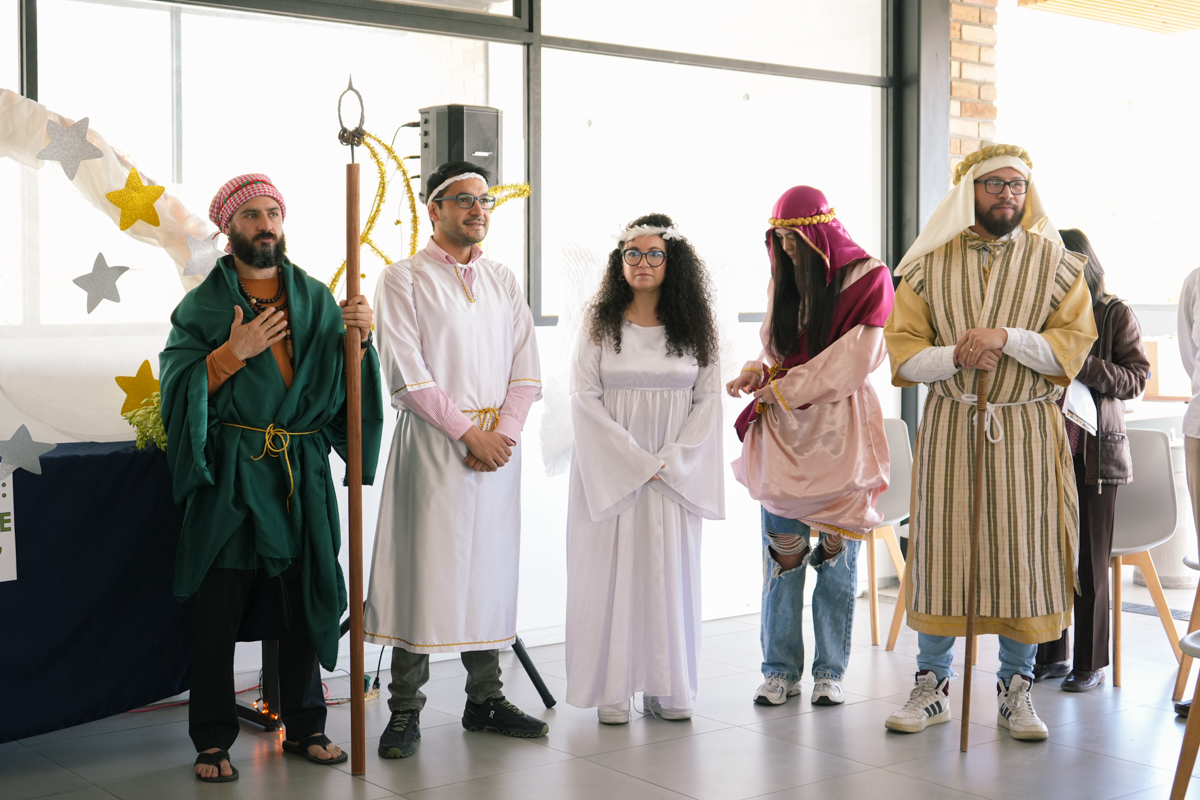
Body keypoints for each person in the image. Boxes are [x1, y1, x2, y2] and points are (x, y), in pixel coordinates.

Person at [160, 173, 383, 782]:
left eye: (273, 214)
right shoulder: (204, 306)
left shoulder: (315, 298)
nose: (265, 225)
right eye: (252, 215)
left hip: (297, 474)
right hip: (234, 476)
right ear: (228, 228)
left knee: (304, 599)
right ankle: (212, 739)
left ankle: (305, 725)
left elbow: (342, 388)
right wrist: (232, 354)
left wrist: (361, 340)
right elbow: (177, 389)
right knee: (219, 609)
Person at [883, 144, 1097, 741]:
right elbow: (902, 354)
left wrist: (1006, 337)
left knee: (1021, 551)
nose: (1008, 195)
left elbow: (1070, 351)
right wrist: (956, 355)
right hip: (953, 426)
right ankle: (932, 685)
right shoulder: (927, 266)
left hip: (1026, 430)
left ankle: (1016, 690)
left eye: (1017, 186)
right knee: (943, 549)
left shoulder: (1059, 266)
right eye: (995, 185)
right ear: (969, 190)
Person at [364, 161, 545, 759]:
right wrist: (469, 434)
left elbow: (526, 369)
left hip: (497, 453)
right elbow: (407, 374)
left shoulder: (502, 279)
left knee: (488, 571)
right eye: (463, 200)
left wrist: (503, 435)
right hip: (434, 447)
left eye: (484, 200)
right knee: (424, 572)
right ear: (435, 208)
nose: (477, 209)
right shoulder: (403, 279)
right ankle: (405, 709)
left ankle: (485, 698)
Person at [728, 187, 894, 708]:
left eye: (795, 241)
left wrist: (780, 388)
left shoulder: (867, 279)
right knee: (783, 563)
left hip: (841, 436)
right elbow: (777, 351)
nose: (787, 251)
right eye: (779, 241)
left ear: (820, 235)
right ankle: (779, 670)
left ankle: (829, 671)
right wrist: (758, 370)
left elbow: (850, 362)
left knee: (836, 566)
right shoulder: (785, 279)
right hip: (784, 438)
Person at [565, 213, 724, 724]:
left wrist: (672, 461)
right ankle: (613, 691)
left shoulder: (696, 327)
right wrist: (633, 460)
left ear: (672, 261)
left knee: (667, 572)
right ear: (620, 260)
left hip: (674, 473)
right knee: (609, 572)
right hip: (611, 470)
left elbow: (708, 399)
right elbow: (583, 397)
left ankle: (667, 686)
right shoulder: (599, 324)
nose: (643, 262)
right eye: (632, 253)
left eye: (655, 253)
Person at [1032, 229, 1149, 691]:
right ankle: (1051, 656)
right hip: (1047, 454)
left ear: (1083, 265)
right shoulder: (1042, 316)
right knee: (1048, 559)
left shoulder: (1114, 312)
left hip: (1096, 459)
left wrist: (1081, 364)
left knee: (1090, 563)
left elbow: (1136, 378)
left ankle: (1090, 664)